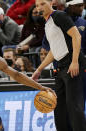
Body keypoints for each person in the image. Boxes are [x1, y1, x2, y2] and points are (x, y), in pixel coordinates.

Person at [32, 0, 86, 131]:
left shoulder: (59, 16)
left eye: (43, 3)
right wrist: (39, 69)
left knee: (74, 107)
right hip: (60, 67)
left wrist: (74, 62)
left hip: (71, 64)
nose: (40, 7)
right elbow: (53, 51)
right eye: (37, 5)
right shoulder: (48, 23)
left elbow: (77, 36)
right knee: (59, 107)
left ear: (51, 3)